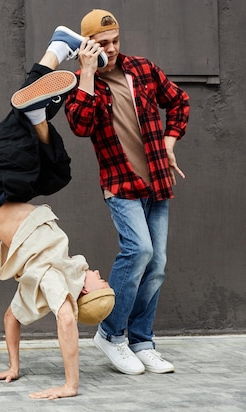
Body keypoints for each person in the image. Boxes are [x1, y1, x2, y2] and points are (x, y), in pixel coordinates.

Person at [0, 27, 114, 399]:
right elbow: (11, 318)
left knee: (23, 128)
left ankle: (42, 102)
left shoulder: (59, 281)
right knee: (55, 169)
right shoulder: (40, 287)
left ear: (88, 294)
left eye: (101, 283)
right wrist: (13, 365)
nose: (100, 274)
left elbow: (68, 318)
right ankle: (53, 64)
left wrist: (70, 384)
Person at [64, 9, 190, 375]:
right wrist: (87, 71)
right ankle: (111, 333)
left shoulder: (143, 69)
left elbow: (179, 101)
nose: (112, 48)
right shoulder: (80, 82)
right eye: (103, 43)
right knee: (139, 251)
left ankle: (142, 340)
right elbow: (80, 126)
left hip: (157, 183)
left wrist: (169, 140)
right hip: (121, 184)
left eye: (115, 40)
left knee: (157, 264)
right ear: (87, 44)